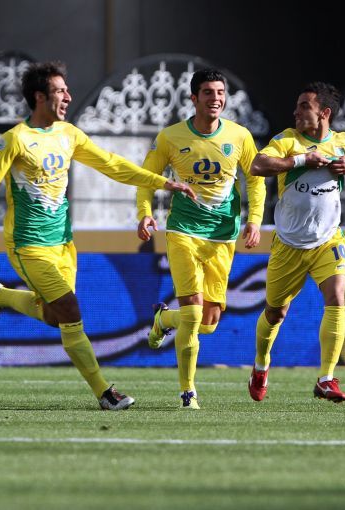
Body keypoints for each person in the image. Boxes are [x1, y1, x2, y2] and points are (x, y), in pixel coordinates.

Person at [0, 61, 196, 411]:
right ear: (39, 97)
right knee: (70, 310)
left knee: (53, 316)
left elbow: (112, 164)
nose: (68, 97)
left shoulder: (69, 134)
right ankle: (105, 393)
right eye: (60, 91)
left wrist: (162, 182)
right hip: (28, 245)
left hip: (63, 244)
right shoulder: (15, 139)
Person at [247, 82, 345, 403]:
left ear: (324, 113)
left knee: (337, 297)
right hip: (289, 243)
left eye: (304, 106)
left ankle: (326, 378)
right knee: (275, 313)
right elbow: (257, 165)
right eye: (297, 106)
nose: (295, 112)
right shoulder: (287, 140)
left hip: (328, 239)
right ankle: (260, 366)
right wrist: (300, 161)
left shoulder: (344, 143)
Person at [136, 68, 265, 409]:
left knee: (208, 323)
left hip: (222, 236)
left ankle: (164, 319)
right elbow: (147, 178)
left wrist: (254, 219)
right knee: (193, 314)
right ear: (194, 98)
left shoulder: (240, 136)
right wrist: (144, 213)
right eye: (208, 92)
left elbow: (255, 179)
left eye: (220, 92)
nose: (215, 98)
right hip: (183, 231)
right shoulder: (170, 137)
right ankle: (187, 391)